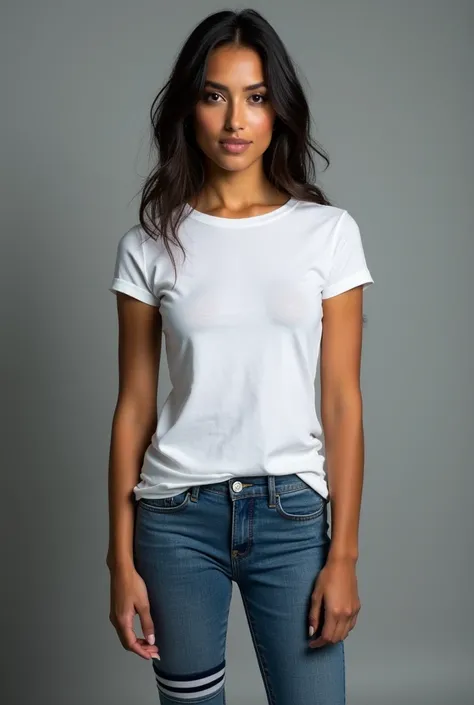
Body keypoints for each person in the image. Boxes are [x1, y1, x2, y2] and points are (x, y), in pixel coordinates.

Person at [106, 8, 374, 705]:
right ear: (190, 108)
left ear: (278, 110)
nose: (235, 119)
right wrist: (119, 557)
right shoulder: (148, 246)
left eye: (255, 97)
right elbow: (135, 404)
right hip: (174, 519)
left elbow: (342, 402)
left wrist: (342, 552)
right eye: (214, 94)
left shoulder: (328, 235)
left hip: (291, 516)